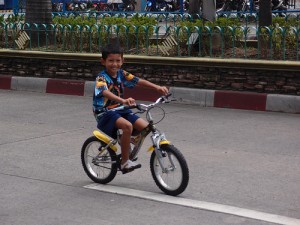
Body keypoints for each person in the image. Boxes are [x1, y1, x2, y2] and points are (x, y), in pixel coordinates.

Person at [93, 43, 169, 173]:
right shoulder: (101, 77)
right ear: (103, 61)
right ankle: (124, 162)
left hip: (121, 109)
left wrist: (157, 87)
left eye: (118, 61)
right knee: (127, 126)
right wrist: (123, 100)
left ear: (123, 61)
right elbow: (104, 92)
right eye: (111, 61)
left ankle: (126, 141)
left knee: (146, 127)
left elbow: (138, 81)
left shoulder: (122, 74)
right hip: (104, 112)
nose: (114, 64)